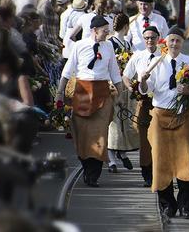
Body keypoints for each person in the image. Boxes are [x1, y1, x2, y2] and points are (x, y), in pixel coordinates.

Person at [139, 26, 189, 219]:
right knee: (161, 162)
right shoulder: (156, 63)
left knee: (187, 161)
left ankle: (186, 206)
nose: (175, 44)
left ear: (182, 43)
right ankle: (167, 205)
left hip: (183, 116)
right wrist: (143, 81)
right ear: (165, 42)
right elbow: (146, 89)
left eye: (178, 41)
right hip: (160, 116)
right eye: (171, 41)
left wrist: (188, 91)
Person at [56, 15, 124, 187]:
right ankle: (87, 167)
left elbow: (115, 73)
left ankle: (93, 175)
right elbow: (67, 71)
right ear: (94, 31)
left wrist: (121, 94)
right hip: (82, 93)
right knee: (82, 135)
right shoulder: (79, 46)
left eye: (108, 32)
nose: (107, 35)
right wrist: (59, 93)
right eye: (104, 32)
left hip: (102, 93)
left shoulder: (108, 47)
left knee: (100, 135)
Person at [122, 25, 161, 187]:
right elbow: (125, 75)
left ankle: (160, 171)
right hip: (144, 103)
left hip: (161, 102)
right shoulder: (138, 56)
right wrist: (131, 87)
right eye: (146, 38)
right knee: (145, 140)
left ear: (158, 38)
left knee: (159, 138)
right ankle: (147, 173)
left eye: (152, 37)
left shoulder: (164, 56)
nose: (149, 41)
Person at [106, 14, 139, 173]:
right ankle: (111, 158)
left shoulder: (126, 43)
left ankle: (122, 151)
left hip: (124, 84)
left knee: (123, 119)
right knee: (113, 121)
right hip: (113, 83)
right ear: (126, 26)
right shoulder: (110, 43)